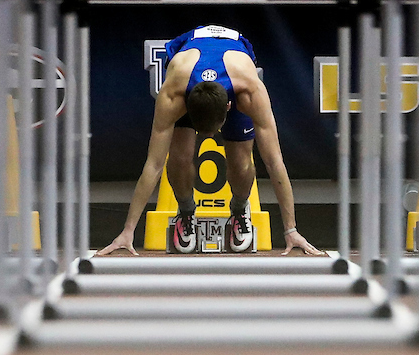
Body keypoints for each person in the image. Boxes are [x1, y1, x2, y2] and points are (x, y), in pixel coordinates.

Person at [97, 24, 322, 256]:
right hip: (189, 68)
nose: (213, 136)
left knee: (241, 162)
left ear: (229, 107)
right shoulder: (173, 93)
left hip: (234, 69)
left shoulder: (250, 91)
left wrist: (291, 230)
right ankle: (185, 212)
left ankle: (238, 211)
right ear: (185, 110)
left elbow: (275, 162)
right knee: (178, 158)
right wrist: (127, 231)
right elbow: (154, 165)